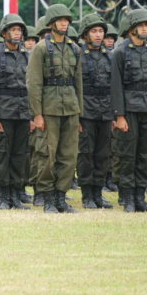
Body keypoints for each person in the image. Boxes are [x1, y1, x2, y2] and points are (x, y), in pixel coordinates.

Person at [26, 4, 82, 214]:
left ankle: (60, 196)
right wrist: (37, 113)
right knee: (47, 154)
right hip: (48, 108)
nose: (64, 23)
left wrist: (80, 113)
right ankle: (47, 196)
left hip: (71, 107)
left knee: (69, 155)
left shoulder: (74, 48)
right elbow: (33, 83)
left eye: (67, 20)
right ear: (51, 24)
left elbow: (78, 83)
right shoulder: (40, 48)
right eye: (60, 20)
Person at [0, 14, 31, 210]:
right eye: (13, 30)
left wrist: (34, 115)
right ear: (4, 33)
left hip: (23, 112)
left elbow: (34, 87)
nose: (17, 33)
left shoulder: (28, 55)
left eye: (19, 30)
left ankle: (16, 193)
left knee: (20, 154)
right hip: (4, 112)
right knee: (2, 154)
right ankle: (3, 195)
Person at [110, 8, 147, 212]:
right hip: (129, 109)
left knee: (144, 154)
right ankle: (127, 197)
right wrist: (119, 115)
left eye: (146, 25)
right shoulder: (120, 52)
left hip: (146, 107)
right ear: (132, 29)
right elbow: (115, 86)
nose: (145, 28)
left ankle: (140, 196)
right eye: (141, 25)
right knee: (127, 154)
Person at [76, 13, 113, 209]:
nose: (98, 35)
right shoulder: (78, 55)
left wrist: (115, 114)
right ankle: (87, 194)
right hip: (86, 112)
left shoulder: (109, 56)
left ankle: (98, 192)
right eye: (94, 31)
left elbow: (113, 86)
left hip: (105, 111)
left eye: (100, 31)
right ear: (85, 34)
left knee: (103, 154)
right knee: (85, 154)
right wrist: (77, 115)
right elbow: (74, 86)